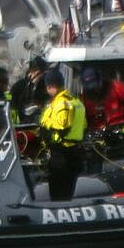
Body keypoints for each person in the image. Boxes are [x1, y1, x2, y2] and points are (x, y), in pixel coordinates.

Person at [38, 68, 87, 200]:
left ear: (50, 86)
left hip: (61, 153)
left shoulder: (61, 103)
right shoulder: (75, 101)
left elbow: (61, 125)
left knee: (57, 191)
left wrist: (45, 124)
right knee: (69, 190)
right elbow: (84, 126)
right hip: (75, 151)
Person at [79, 67, 124, 154]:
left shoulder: (117, 88)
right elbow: (86, 117)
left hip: (121, 131)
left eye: (96, 85)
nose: (94, 89)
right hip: (99, 136)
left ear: (100, 79)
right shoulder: (85, 97)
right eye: (90, 88)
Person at [10, 57, 50, 129]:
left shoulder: (45, 86)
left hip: (39, 123)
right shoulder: (19, 86)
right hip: (21, 124)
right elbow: (12, 107)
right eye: (41, 73)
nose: (43, 76)